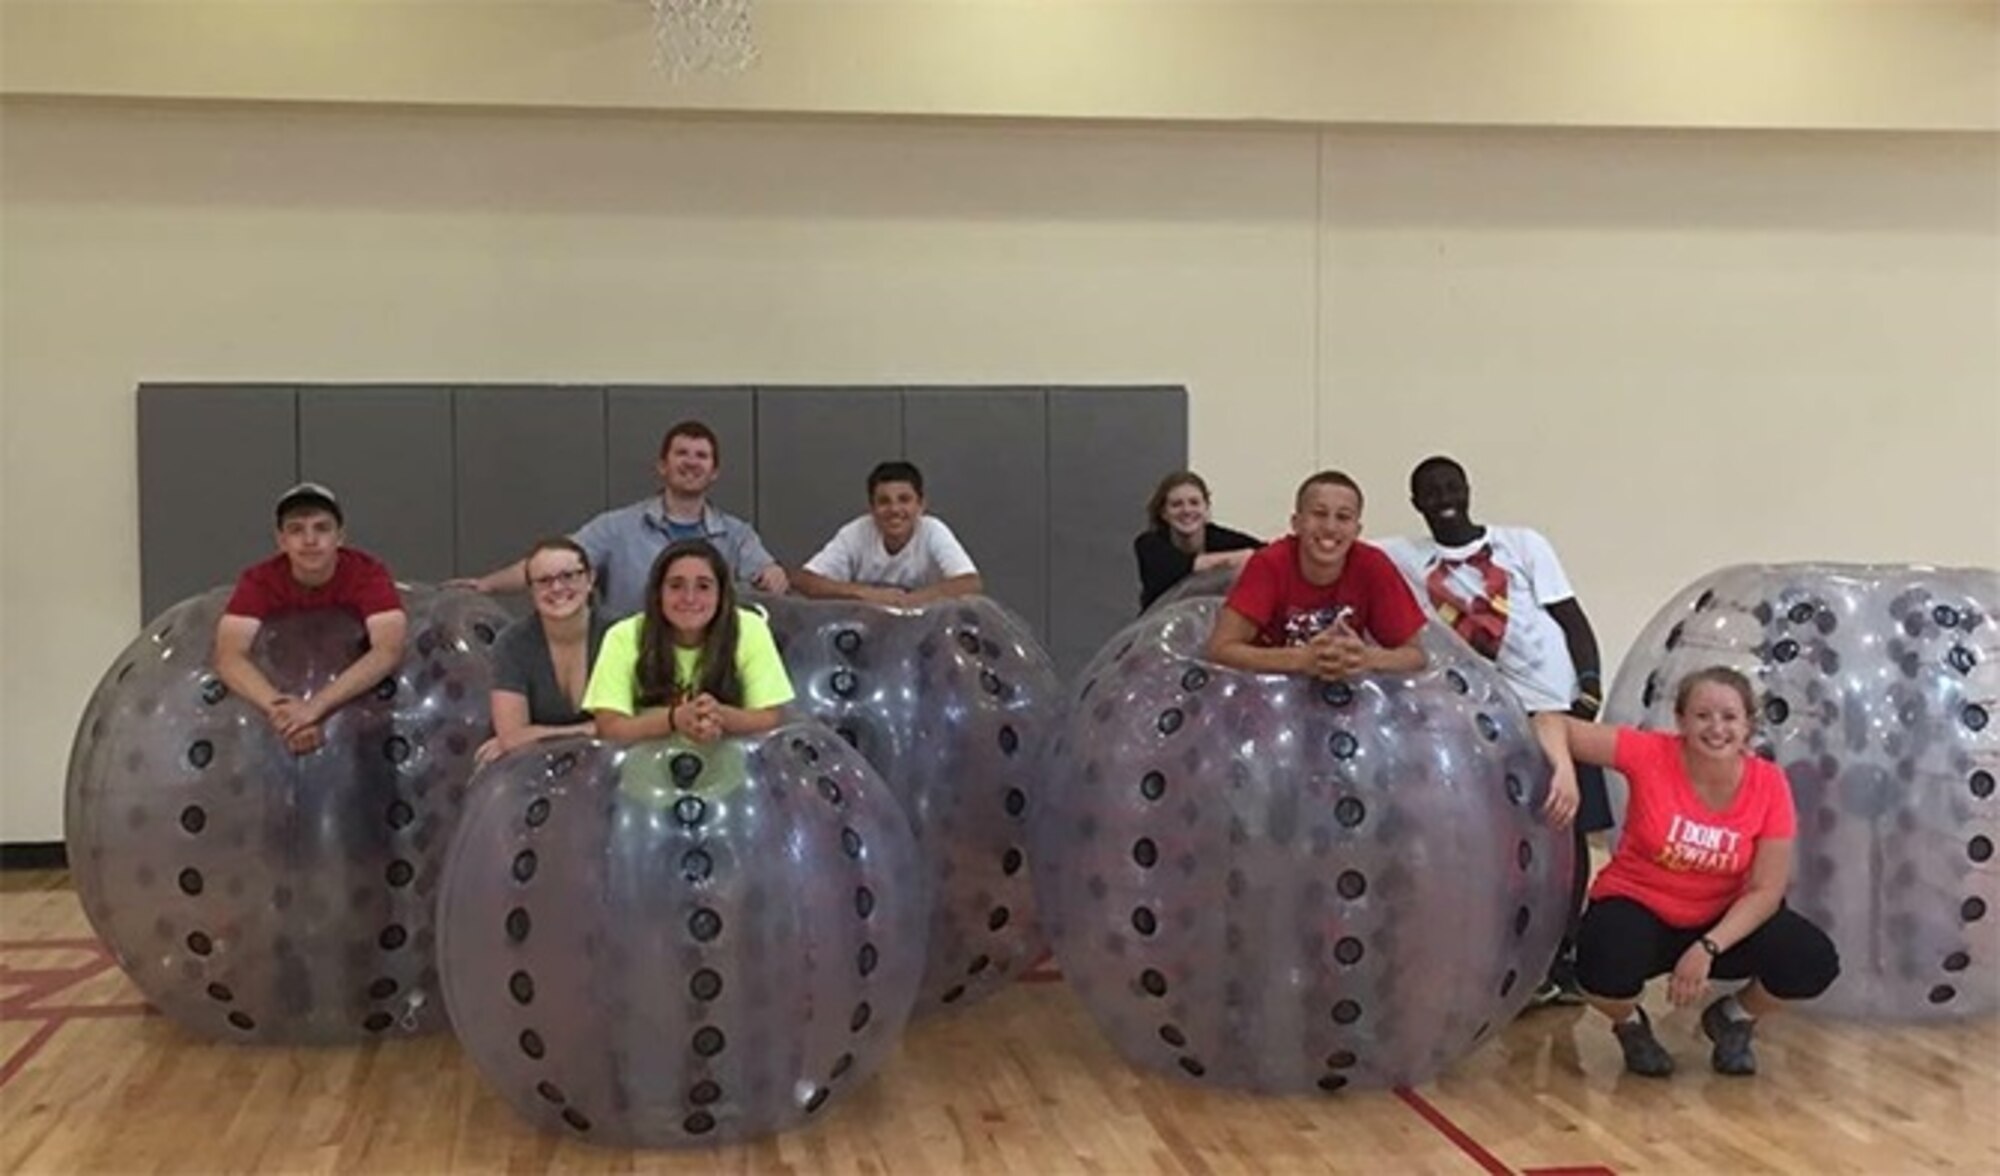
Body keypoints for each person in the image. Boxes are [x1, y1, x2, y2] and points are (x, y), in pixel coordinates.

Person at [1379, 454, 1609, 1005]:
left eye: (1451, 485)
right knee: (1501, 839)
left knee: (1569, 836)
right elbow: (1318, 544)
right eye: (1430, 490)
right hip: (1481, 722)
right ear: (1416, 502)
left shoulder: (1523, 544)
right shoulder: (1403, 557)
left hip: (1553, 707)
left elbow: (1571, 618)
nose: (1443, 496)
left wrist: (1589, 690)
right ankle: (1511, 953)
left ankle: (1565, 956)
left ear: (1468, 487)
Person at [1532, 667, 1840, 1078]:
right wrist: (1565, 773)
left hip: (1720, 921)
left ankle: (1734, 1018)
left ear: (1748, 726)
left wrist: (1707, 948)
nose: (1716, 728)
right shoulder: (1651, 752)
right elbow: (1549, 722)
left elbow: (1767, 890)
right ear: (1680, 721)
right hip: (1641, 906)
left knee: (1812, 959)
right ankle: (1630, 1025)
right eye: (1702, 715)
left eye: (1730, 717)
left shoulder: (1769, 784)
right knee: (1598, 968)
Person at [454, 420, 787, 618]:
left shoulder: (738, 535)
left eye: (701, 456)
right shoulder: (616, 528)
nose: (691, 462)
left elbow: (773, 581)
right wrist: (486, 585)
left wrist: (774, 576)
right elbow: (553, 565)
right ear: (662, 466)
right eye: (681, 453)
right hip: (630, 663)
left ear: (714, 472)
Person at [212, 482, 408, 756]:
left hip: (359, 706)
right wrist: (280, 711)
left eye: (322, 528)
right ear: (281, 541)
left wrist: (314, 709)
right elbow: (229, 655)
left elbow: (388, 649)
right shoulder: (259, 580)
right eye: (296, 530)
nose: (310, 540)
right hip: (279, 703)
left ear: (340, 537)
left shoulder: (367, 574)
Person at [1205, 470, 1427, 680]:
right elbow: (1220, 650)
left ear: (1357, 530)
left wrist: (1365, 658)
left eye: (1343, 517)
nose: (1330, 527)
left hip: (1346, 698)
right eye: (1319, 514)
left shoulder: (1374, 565)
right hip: (1267, 694)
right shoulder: (1269, 563)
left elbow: (1415, 656)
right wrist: (1301, 659)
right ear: (1297, 523)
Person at [582, 539, 795, 744]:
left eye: (703, 586)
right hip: (643, 771)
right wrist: (674, 719)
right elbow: (609, 727)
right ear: (658, 593)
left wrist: (720, 716)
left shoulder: (749, 628)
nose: (690, 598)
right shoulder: (624, 635)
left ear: (721, 594)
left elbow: (772, 717)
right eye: (676, 586)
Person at [476, 537, 611, 766]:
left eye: (568, 576)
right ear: (531, 590)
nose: (557, 588)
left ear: (590, 579)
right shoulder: (512, 643)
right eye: (544, 581)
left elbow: (638, 724)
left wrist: (537, 734)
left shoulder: (622, 634)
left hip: (611, 770)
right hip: (532, 771)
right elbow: (512, 738)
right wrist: (594, 729)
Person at [791, 461, 983, 605]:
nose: (894, 509)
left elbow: (970, 583)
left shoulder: (933, 531)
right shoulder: (856, 532)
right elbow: (804, 580)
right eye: (884, 501)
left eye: (904, 499)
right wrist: (864, 593)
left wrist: (906, 602)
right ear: (872, 508)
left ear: (921, 505)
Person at [1133, 470, 1263, 611]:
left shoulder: (1220, 537)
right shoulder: (1149, 544)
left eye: (1194, 503)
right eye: (1176, 504)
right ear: (1164, 513)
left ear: (1206, 508)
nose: (1187, 510)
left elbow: (1266, 553)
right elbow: (1178, 567)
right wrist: (1235, 558)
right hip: (1160, 624)